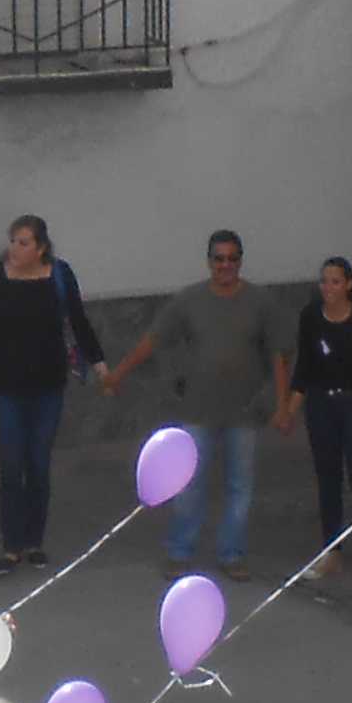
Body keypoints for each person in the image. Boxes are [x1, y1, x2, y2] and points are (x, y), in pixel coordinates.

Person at [107, 230, 287, 576]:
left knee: (240, 487)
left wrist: (282, 406)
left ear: (240, 261)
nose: (225, 265)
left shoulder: (260, 303)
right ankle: (180, 550)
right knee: (189, 485)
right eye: (219, 258)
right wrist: (118, 373)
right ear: (209, 262)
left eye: (232, 258)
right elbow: (153, 340)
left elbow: (279, 354)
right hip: (197, 410)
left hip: (245, 411)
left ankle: (232, 555)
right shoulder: (189, 301)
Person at [0, 214, 108, 572]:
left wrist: (100, 364)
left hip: (48, 387)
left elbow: (78, 321)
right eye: (12, 241)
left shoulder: (59, 276)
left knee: (39, 464)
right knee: (12, 466)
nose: (14, 248)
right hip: (7, 388)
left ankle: (34, 541)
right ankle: (11, 545)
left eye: (23, 242)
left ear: (41, 247)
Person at [278, 257, 352, 585]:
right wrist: (289, 409)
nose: (328, 288)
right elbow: (304, 369)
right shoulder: (311, 317)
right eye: (324, 281)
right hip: (322, 405)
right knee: (328, 478)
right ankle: (332, 550)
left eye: (334, 281)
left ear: (349, 284)